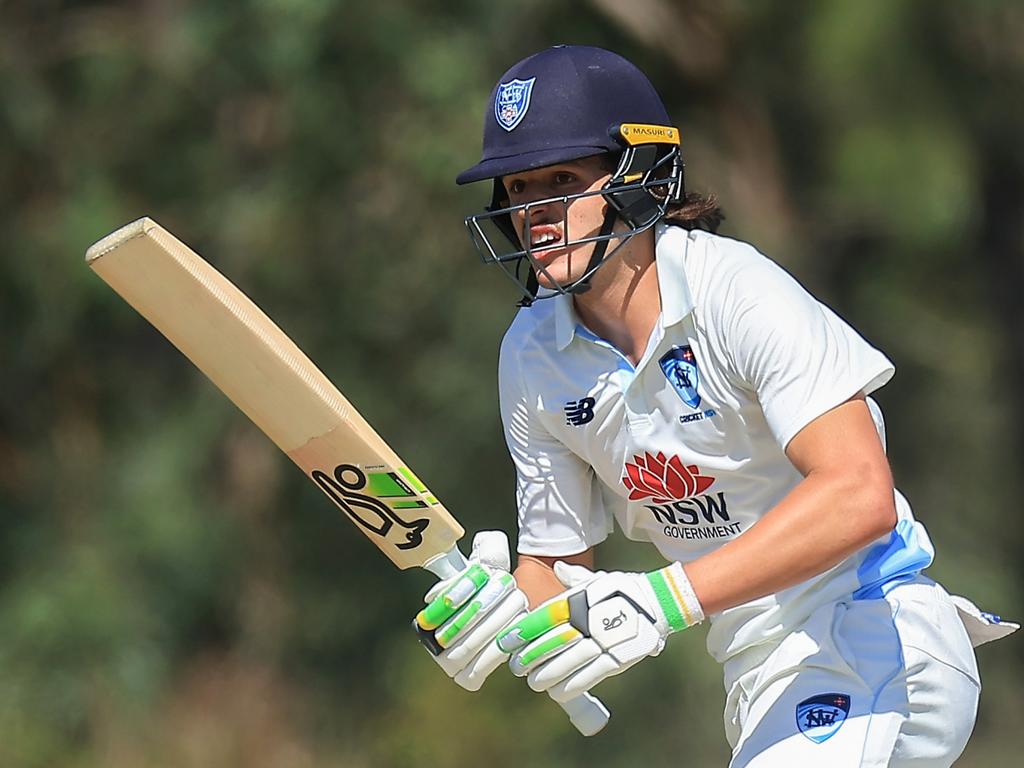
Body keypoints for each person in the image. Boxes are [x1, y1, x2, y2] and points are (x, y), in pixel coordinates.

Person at [412, 45, 1016, 766]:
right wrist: (501, 615)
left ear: (639, 178)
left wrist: (663, 600)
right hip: (757, 675)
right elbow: (557, 566)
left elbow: (861, 493)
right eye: (516, 189)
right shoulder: (532, 355)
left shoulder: (736, 293)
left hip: (874, 631)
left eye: (562, 181)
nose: (535, 213)